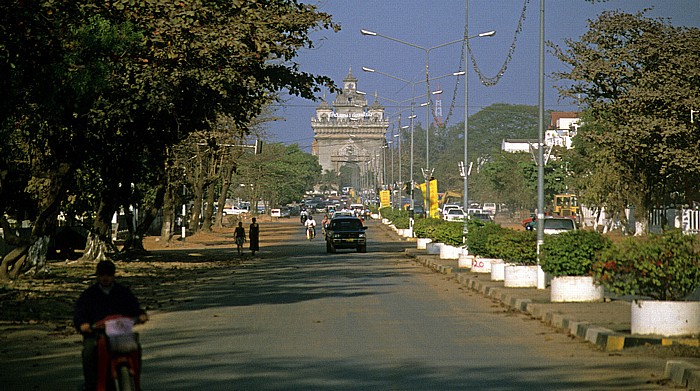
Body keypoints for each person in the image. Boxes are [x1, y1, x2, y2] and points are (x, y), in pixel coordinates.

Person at [73, 260, 148, 391]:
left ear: (113, 276)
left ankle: (136, 382)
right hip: (97, 333)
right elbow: (80, 313)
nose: (105, 278)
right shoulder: (89, 294)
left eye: (109, 275)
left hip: (119, 332)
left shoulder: (122, 292)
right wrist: (83, 324)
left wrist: (141, 315)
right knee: (89, 351)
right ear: (98, 276)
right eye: (102, 275)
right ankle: (91, 384)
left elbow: (134, 307)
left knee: (136, 347)